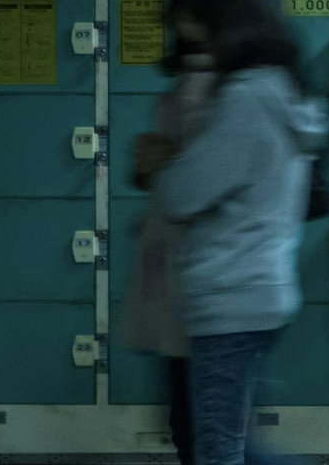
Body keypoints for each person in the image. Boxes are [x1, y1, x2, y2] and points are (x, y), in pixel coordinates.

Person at [144, 0, 328, 465]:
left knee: (220, 449)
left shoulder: (249, 99)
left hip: (230, 295)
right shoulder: (282, 91)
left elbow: (184, 192)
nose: (185, 30)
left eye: (189, 17)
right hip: (257, 287)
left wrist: (162, 160)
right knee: (235, 445)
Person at [124, 34, 219, 465]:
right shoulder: (182, 89)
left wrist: (167, 161)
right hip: (175, 274)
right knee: (193, 421)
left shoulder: (218, 91)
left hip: (203, 278)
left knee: (208, 426)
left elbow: (209, 178)